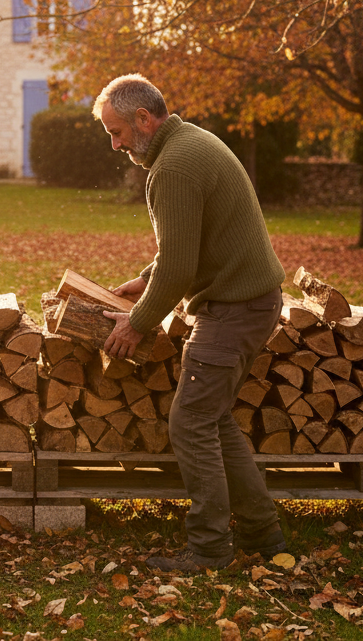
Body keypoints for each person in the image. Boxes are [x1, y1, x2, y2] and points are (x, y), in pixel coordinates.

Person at [95, 74, 288, 573]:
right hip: (249, 301)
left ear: (143, 118)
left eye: (116, 131)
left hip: (234, 310)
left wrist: (136, 324)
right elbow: (186, 247)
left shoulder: (175, 166)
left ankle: (208, 551)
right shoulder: (189, 143)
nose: (115, 144)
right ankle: (263, 535)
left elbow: (179, 267)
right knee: (214, 419)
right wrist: (145, 278)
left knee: (191, 423)